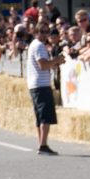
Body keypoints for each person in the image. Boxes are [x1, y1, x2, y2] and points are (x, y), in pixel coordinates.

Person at [26, 23, 65, 155]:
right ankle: (43, 144)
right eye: (41, 31)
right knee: (45, 116)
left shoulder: (34, 45)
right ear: (36, 32)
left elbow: (43, 65)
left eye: (46, 31)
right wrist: (57, 60)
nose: (44, 34)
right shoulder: (39, 46)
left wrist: (54, 62)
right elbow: (43, 65)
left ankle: (42, 143)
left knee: (40, 116)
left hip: (35, 84)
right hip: (41, 84)